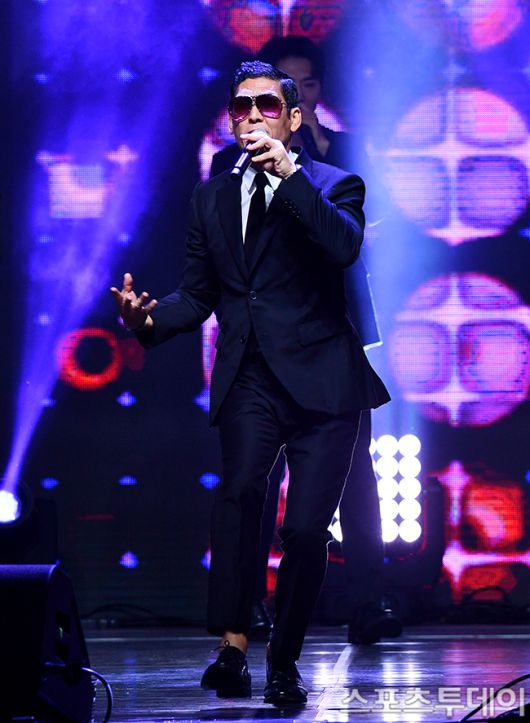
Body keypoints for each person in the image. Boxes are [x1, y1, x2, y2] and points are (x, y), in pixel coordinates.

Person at [111, 60, 390, 705]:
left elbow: (343, 247)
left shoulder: (336, 183)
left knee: (305, 531)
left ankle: (283, 660)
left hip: (325, 382)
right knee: (239, 498)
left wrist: (290, 175)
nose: (253, 116)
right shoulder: (211, 196)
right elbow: (199, 293)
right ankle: (232, 647)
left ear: (293, 118)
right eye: (242, 107)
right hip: (250, 375)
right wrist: (148, 321)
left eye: (267, 105)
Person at [211, 36, 401, 646]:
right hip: (264, 338)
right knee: (253, 478)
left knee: (353, 473)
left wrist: (306, 152)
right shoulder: (228, 164)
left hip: (331, 328)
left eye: (306, 84)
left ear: (303, 98)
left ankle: (369, 598)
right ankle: (249, 605)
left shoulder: (342, 155)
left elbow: (361, 226)